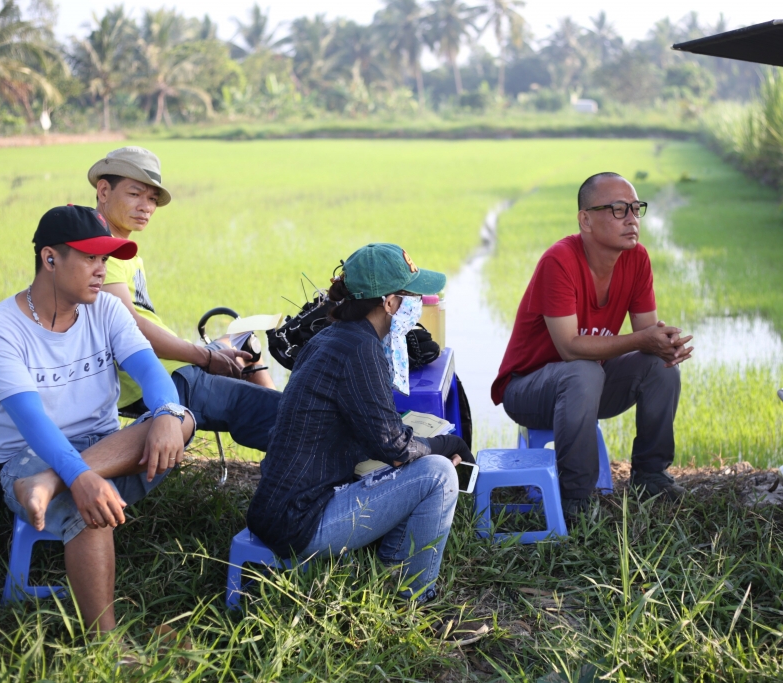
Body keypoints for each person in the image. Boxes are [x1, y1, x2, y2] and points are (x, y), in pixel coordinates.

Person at [0, 205, 197, 633]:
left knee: (181, 420)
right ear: (50, 258)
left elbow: (152, 373)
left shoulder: (106, 311)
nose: (101, 270)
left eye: (105, 260)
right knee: (88, 507)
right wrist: (79, 477)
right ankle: (107, 649)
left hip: (107, 448)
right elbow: (32, 421)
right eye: (90, 258)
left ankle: (49, 486)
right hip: (28, 458)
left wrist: (167, 412)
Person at [247, 243, 473, 603]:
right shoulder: (361, 350)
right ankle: (411, 596)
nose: (416, 304)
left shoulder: (329, 338)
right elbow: (395, 449)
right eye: (411, 295)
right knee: (437, 473)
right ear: (388, 303)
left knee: (412, 461)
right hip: (301, 523)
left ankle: (390, 564)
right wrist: (448, 446)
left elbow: (372, 430)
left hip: (274, 508)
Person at [492, 172, 693, 512]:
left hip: (588, 388)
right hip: (528, 390)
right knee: (582, 371)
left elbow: (644, 337)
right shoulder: (560, 261)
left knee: (660, 366)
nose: (631, 219)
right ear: (585, 219)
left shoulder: (637, 259)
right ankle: (576, 497)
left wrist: (661, 342)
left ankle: (651, 473)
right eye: (618, 210)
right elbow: (569, 347)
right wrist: (642, 338)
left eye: (635, 208)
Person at [90, 146, 281, 452]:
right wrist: (204, 357)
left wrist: (204, 355)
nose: (146, 207)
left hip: (173, 363)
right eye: (135, 194)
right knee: (278, 410)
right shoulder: (104, 253)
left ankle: (264, 396)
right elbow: (130, 327)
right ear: (103, 190)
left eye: (152, 199)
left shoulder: (124, 250)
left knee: (243, 338)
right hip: (158, 379)